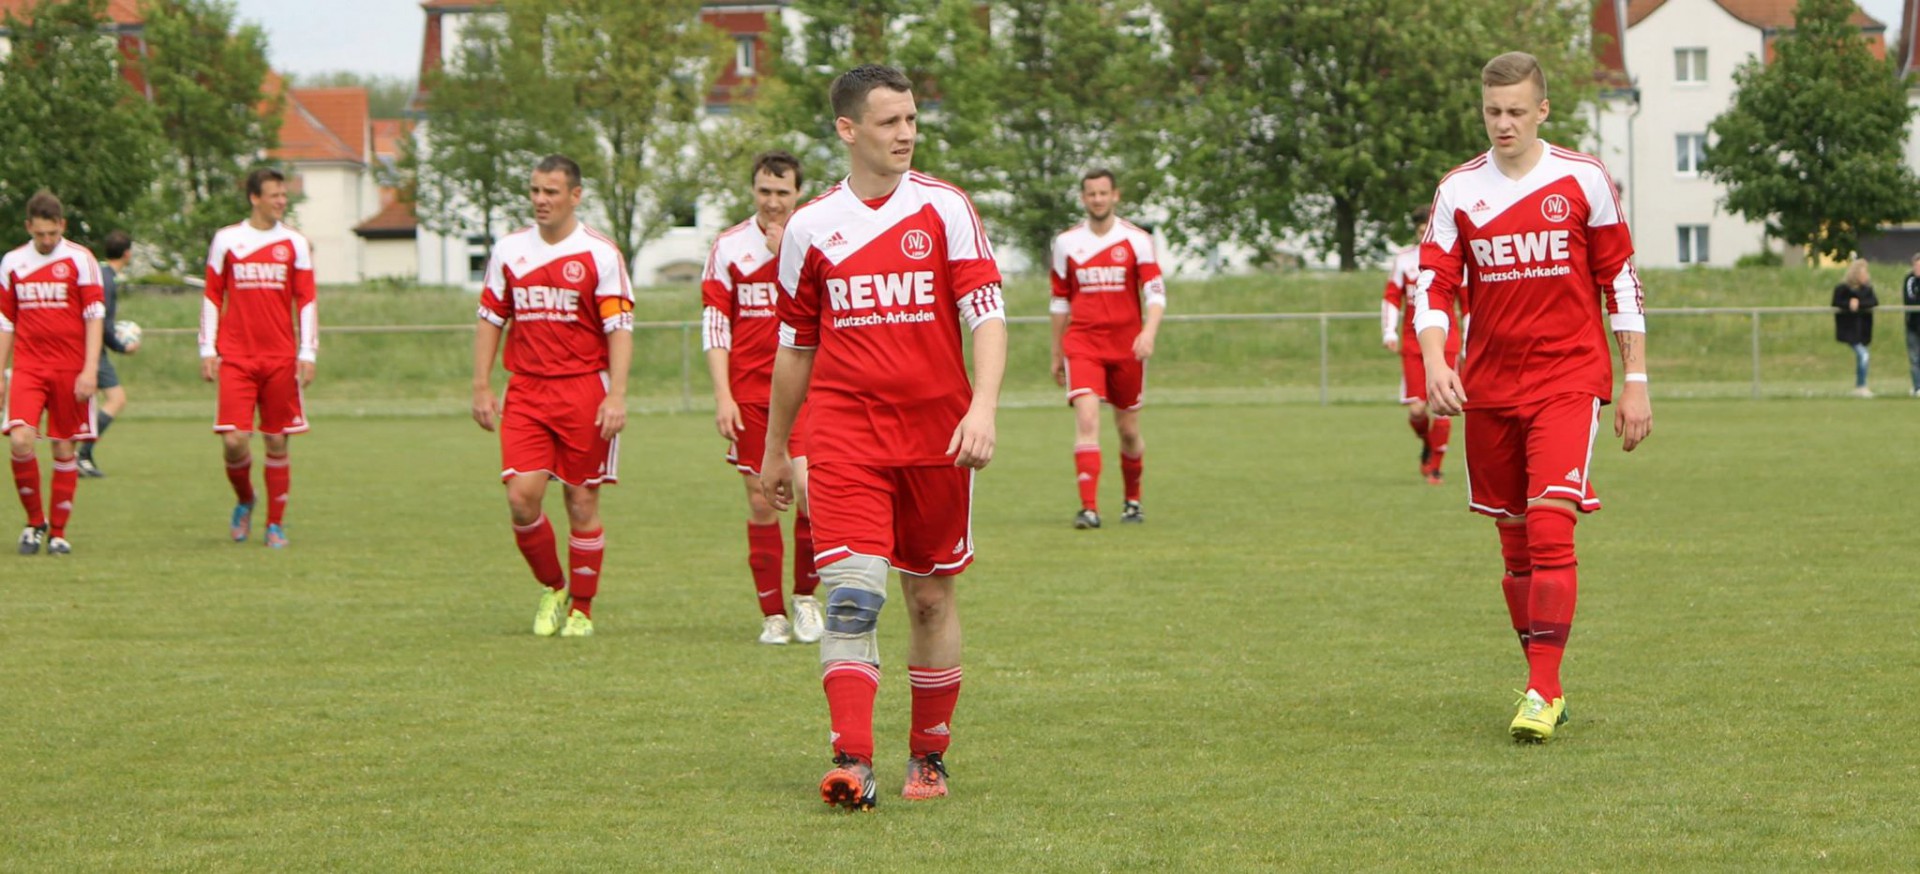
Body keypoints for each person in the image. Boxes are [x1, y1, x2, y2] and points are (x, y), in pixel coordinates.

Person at [760, 63, 1006, 809]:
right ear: (848, 129)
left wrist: (984, 405)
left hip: (937, 438)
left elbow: (986, 314)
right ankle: (852, 760)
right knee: (853, 594)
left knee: (929, 601)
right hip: (845, 436)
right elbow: (796, 348)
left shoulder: (945, 208)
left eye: (911, 119)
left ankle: (928, 757)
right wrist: (777, 446)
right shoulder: (810, 228)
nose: (906, 132)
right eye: (890, 121)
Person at [1412, 51, 1652, 744]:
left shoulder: (1583, 180)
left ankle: (1542, 689)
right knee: (1515, 546)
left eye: (1517, 110)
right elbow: (1434, 286)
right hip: (1488, 385)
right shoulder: (1458, 190)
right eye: (1493, 111)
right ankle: (1544, 682)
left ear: (1543, 109)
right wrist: (1434, 359)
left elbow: (1621, 281)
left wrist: (1634, 380)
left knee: (1552, 523)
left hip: (1569, 378)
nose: (1504, 122)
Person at [472, 154, 634, 639]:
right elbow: (490, 319)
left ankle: (582, 608)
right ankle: (553, 586)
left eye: (551, 192)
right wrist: (480, 384)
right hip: (526, 390)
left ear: (575, 196)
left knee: (581, 503)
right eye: (536, 191)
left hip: (585, 389)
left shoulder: (600, 254)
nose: (541, 200)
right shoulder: (508, 252)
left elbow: (619, 328)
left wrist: (617, 395)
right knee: (522, 499)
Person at [701, 150, 825, 645]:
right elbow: (715, 324)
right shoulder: (729, 246)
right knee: (760, 500)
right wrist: (722, 396)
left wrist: (783, 255)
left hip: (810, 392)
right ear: (753, 191)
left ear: (798, 193)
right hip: (751, 395)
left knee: (810, 494)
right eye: (765, 192)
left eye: (783, 192)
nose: (773, 202)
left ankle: (805, 599)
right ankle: (771, 613)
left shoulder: (815, 240)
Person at [201, 168, 317, 549]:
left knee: (277, 442)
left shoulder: (295, 243)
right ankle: (245, 499)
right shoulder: (227, 240)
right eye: (274, 195)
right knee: (234, 441)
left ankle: (274, 523)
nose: (282, 201)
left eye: (284, 195)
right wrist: (208, 348)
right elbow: (212, 296)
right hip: (236, 356)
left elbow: (307, 300)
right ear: (255, 198)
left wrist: (308, 352)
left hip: (280, 356)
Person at [1049, 168, 1165, 527]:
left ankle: (1132, 500)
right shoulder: (1066, 243)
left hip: (1127, 347)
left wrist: (1148, 332)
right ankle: (1089, 508)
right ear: (1083, 198)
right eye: (1090, 194)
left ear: (1116, 195)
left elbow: (1155, 292)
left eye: (1103, 193)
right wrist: (1056, 352)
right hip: (1083, 343)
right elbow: (1059, 301)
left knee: (1128, 431)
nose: (1097, 199)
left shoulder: (1137, 240)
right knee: (1086, 418)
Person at [1, 191, 104, 556]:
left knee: (64, 446)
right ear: (29, 227)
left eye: (52, 233)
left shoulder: (81, 260)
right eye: (40, 234)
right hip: (29, 367)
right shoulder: (13, 262)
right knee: (19, 440)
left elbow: (94, 316)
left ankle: (58, 532)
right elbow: (6, 321)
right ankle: (34, 523)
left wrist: (90, 369)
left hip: (71, 368)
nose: (47, 240)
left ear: (62, 226)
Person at [1381, 205, 1460, 485]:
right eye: (1420, 227)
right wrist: (1389, 331)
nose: (1425, 231)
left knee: (1441, 405)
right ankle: (1428, 444)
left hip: (1446, 340)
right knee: (1417, 409)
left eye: (1429, 226)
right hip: (1414, 343)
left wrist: (1472, 337)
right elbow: (1392, 297)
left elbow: (1469, 301)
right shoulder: (1404, 260)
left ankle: (1435, 467)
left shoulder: (1452, 257)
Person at [77, 230, 137, 477]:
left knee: (86, 402)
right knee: (116, 399)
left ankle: (79, 455)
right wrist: (123, 347)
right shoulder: (108, 281)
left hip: (83, 347)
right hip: (92, 350)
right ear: (127, 253)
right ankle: (82, 456)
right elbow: (102, 323)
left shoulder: (100, 274)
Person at [1832, 258, 1878, 398]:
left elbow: (1873, 302)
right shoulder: (1842, 289)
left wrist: (1859, 303)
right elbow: (1836, 302)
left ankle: (1860, 384)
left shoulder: (1867, 290)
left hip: (1863, 329)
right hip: (1849, 329)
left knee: (1862, 356)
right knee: (1863, 354)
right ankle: (1862, 385)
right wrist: (1849, 303)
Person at [1903, 253, 1920, 397]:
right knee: (1915, 357)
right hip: (1914, 326)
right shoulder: (1909, 280)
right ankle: (1917, 387)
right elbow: (1910, 300)